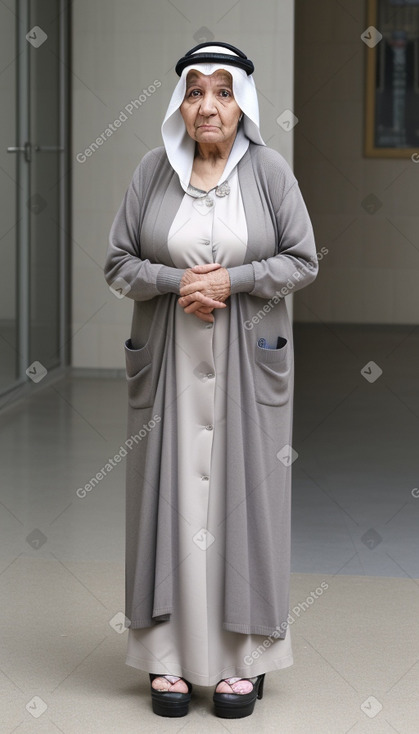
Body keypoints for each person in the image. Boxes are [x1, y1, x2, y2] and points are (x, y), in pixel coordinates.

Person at [104, 41, 318, 719]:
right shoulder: (150, 172)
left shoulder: (269, 171)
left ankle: (243, 663)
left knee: (243, 507)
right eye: (194, 92)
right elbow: (117, 262)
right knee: (166, 505)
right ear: (179, 105)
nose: (207, 106)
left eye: (222, 92)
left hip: (247, 366)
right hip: (166, 365)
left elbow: (301, 259)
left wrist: (236, 278)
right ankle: (164, 659)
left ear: (242, 104)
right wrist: (174, 283)